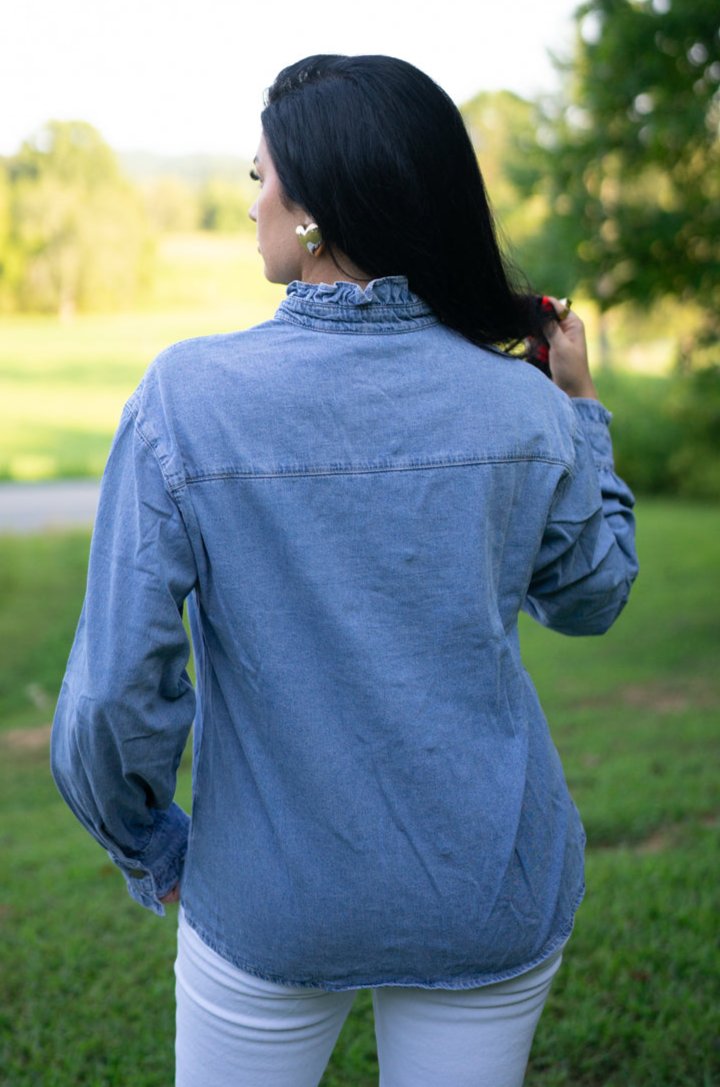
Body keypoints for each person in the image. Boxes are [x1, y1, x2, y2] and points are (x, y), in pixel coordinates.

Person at [51, 54, 638, 1087]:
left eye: (259, 177)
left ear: (316, 209)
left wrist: (155, 846)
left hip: (269, 899)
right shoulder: (524, 405)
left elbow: (112, 694)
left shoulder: (187, 399)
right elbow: (592, 595)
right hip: (487, 882)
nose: (252, 204)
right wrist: (580, 408)